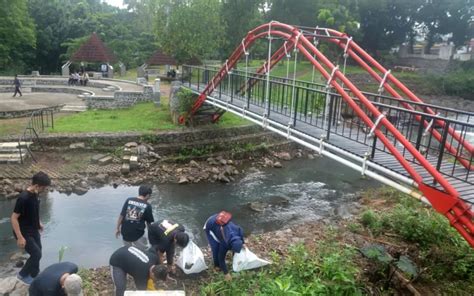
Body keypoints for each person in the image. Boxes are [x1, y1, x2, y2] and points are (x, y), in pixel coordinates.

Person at [11, 172, 51, 285]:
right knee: (36, 254)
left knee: (39, 251)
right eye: (44, 187)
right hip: (23, 232)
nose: (45, 189)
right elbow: (13, 218)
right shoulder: (23, 198)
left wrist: (39, 222)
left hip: (33, 229)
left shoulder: (35, 194)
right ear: (37, 185)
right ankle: (22, 275)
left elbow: (34, 211)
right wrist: (19, 237)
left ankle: (34, 275)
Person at [204, 211, 244, 281]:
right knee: (215, 248)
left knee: (220, 244)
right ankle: (216, 266)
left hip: (221, 220)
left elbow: (242, 239)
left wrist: (243, 243)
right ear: (230, 247)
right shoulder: (225, 243)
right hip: (210, 225)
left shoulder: (239, 231)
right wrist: (226, 273)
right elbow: (221, 259)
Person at [115, 185, 154, 250]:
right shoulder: (147, 206)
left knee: (127, 250)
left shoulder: (128, 200)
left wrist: (117, 228)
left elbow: (121, 216)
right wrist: (151, 236)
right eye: (150, 196)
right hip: (138, 234)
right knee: (144, 250)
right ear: (147, 195)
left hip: (125, 233)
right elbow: (148, 224)